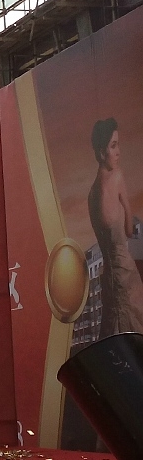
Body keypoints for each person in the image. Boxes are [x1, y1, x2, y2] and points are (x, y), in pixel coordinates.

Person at [88, 118, 143, 338]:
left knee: (115, 333)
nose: (118, 152)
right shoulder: (117, 177)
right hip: (125, 273)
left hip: (109, 277)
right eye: (113, 146)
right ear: (102, 153)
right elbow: (129, 230)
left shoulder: (92, 194)